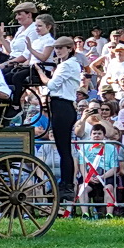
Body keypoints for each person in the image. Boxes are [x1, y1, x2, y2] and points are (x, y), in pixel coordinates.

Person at [41, 36, 82, 203]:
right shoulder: (65, 65)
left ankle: (67, 185)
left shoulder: (68, 65)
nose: (58, 51)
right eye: (56, 48)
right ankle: (65, 184)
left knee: (64, 149)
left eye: (61, 48)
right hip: (61, 106)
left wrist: (39, 73)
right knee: (62, 148)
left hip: (63, 107)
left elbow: (51, 86)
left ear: (70, 49)